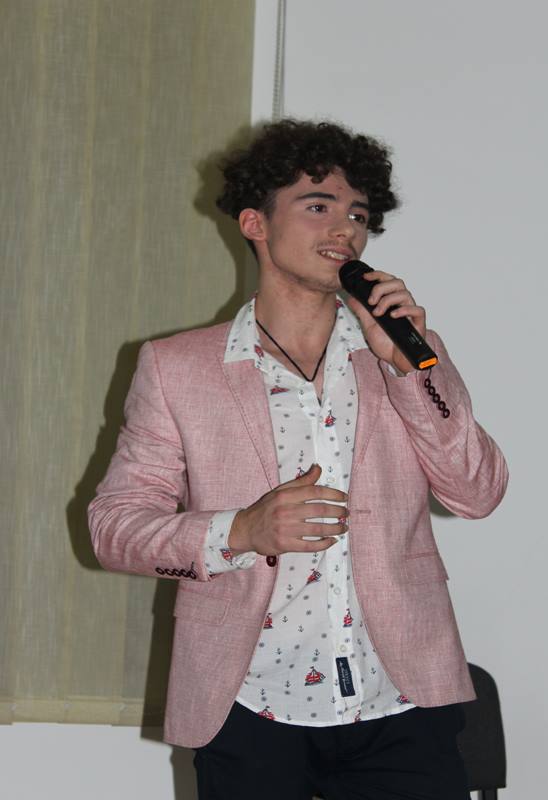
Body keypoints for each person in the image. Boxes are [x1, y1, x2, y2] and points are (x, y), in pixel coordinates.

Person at [88, 119, 508, 800]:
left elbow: (478, 492)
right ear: (255, 222)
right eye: (318, 206)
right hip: (247, 703)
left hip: (400, 699)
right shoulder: (176, 369)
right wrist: (241, 531)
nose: (345, 229)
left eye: (358, 215)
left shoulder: (402, 356)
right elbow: (114, 528)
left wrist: (413, 367)